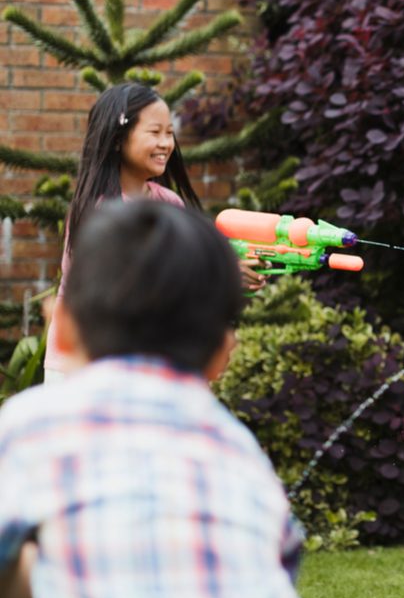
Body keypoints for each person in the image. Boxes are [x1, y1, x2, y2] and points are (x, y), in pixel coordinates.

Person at [0, 200, 349, 598]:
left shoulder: (34, 424)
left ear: (66, 329)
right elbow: (277, 561)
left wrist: (39, 560)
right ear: (221, 355)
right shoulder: (234, 447)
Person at [44, 82, 265, 381]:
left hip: (142, 361)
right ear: (118, 139)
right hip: (82, 361)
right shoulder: (100, 212)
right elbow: (134, 286)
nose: (165, 143)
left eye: (169, 133)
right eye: (154, 132)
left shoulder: (169, 203)